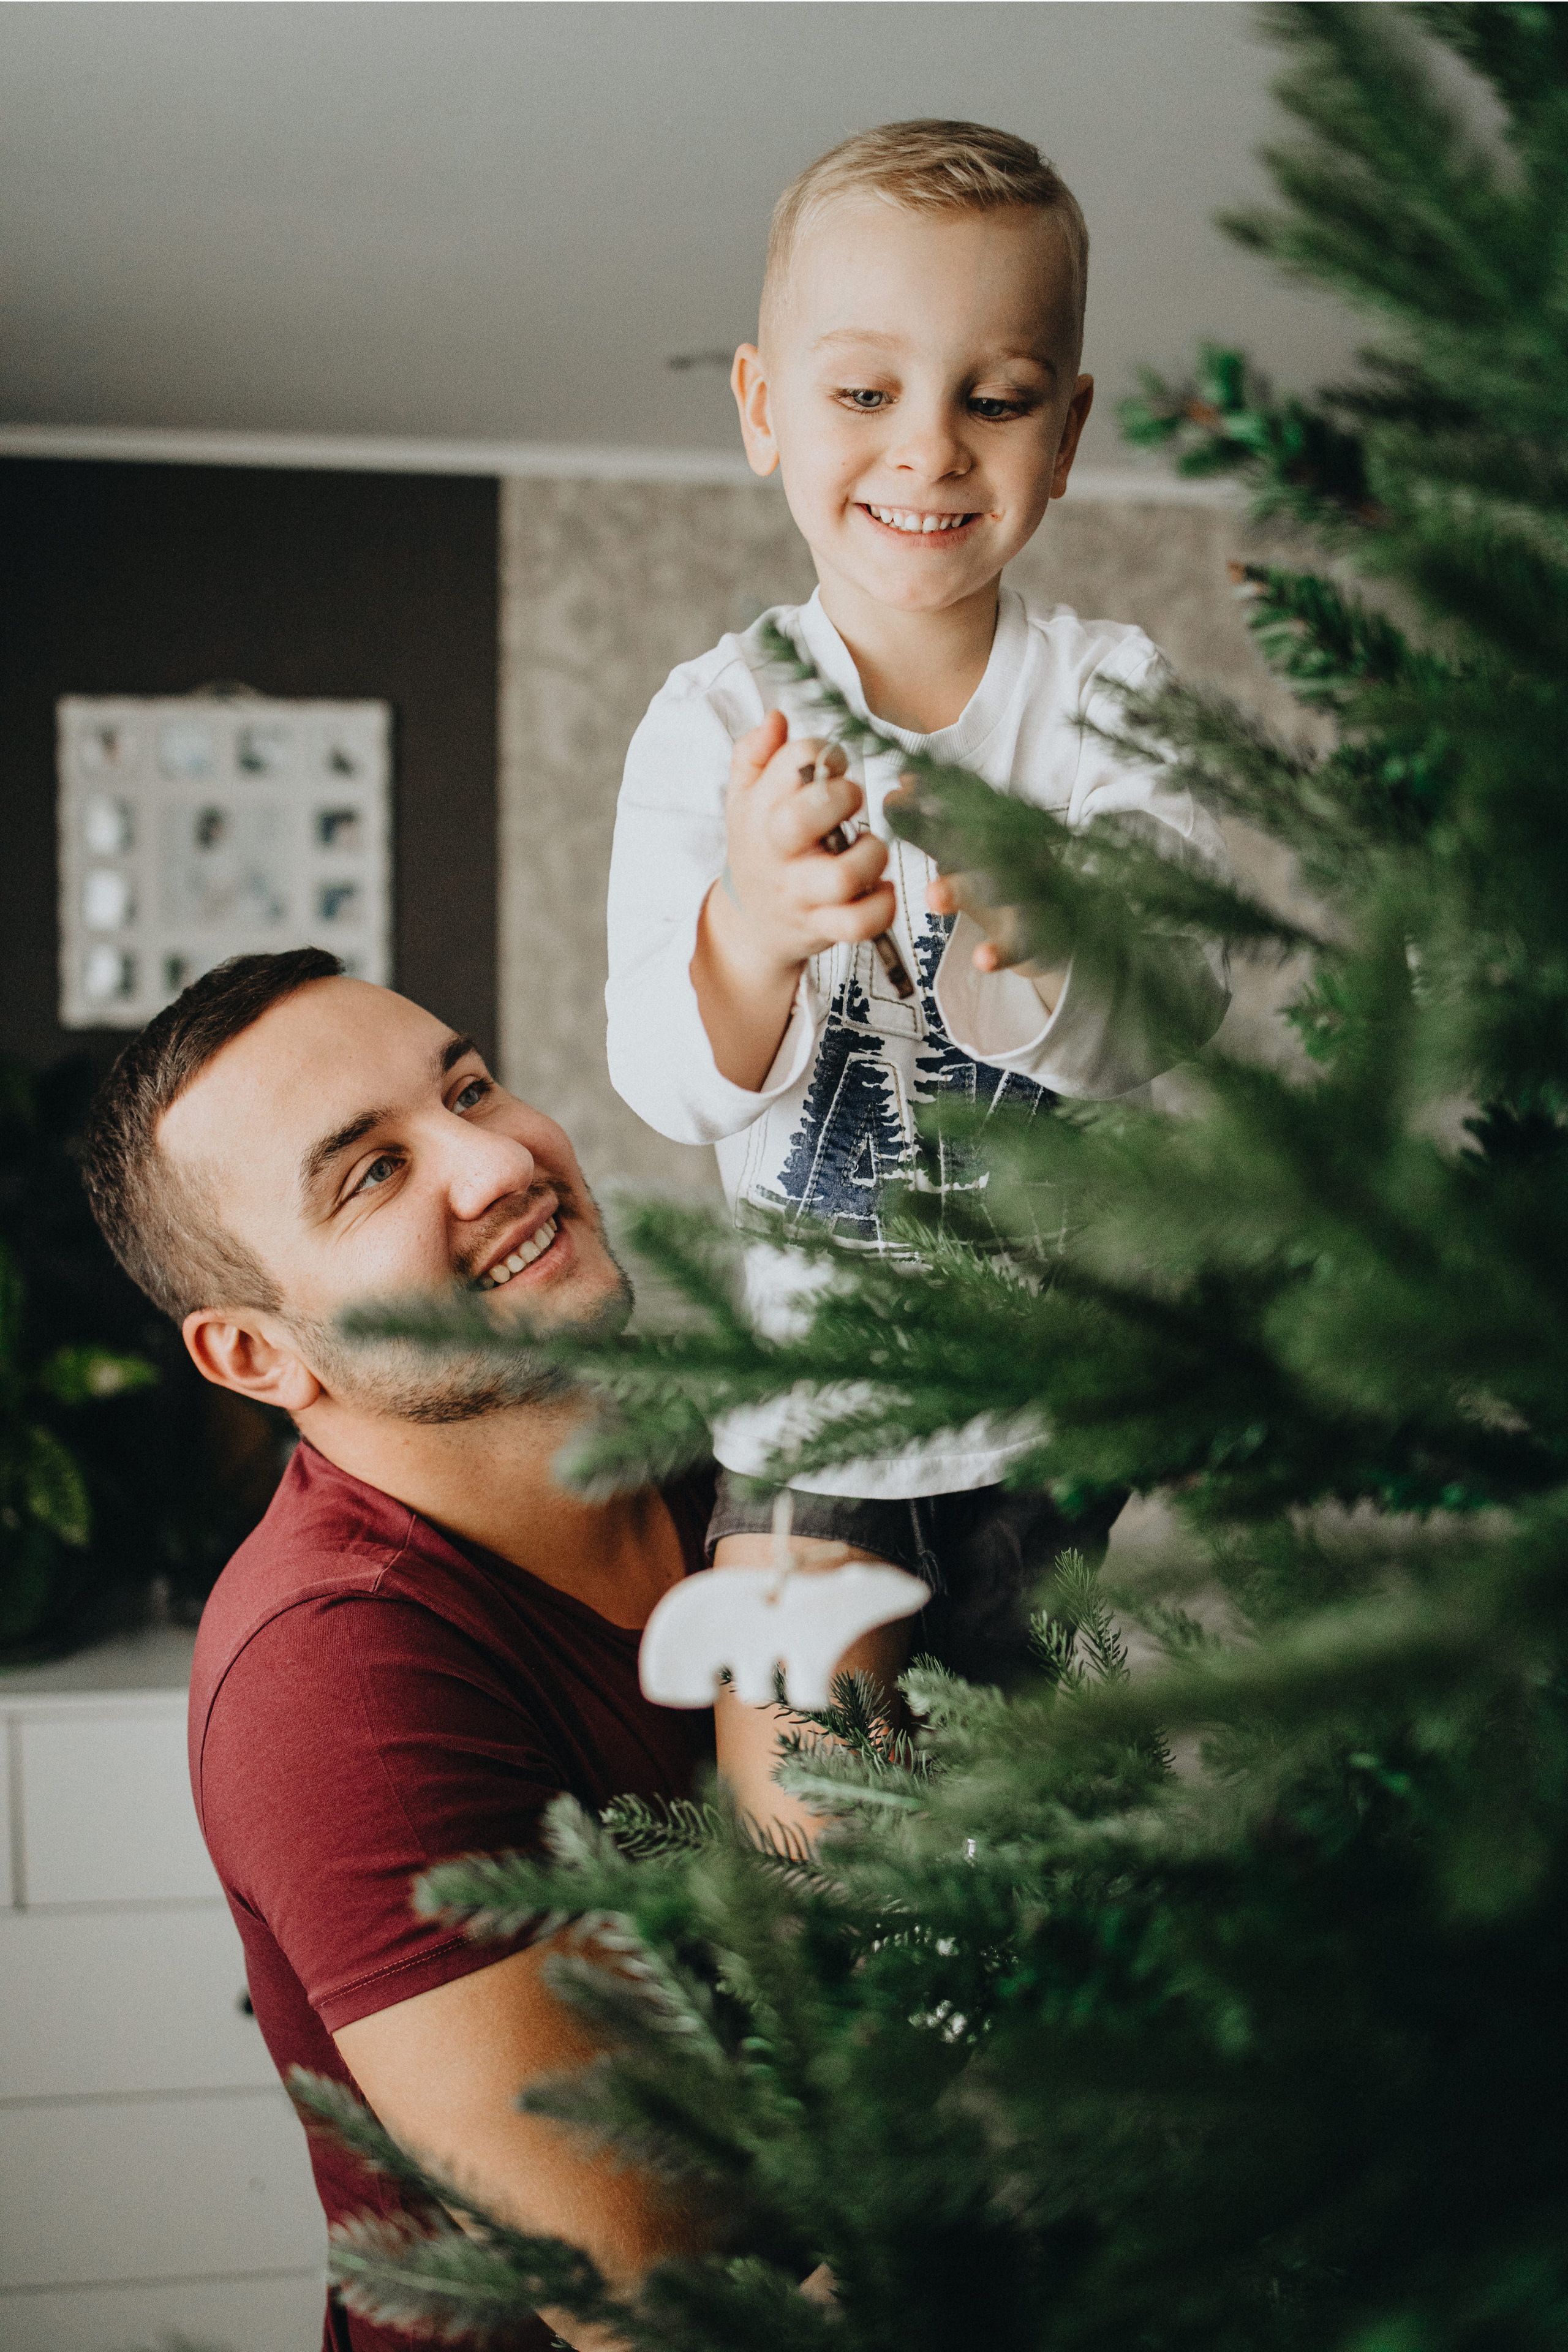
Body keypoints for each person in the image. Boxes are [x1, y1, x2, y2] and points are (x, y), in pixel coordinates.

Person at [605, 119, 1231, 1839]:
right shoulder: (716, 722)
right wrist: (747, 923)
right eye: (864, 392)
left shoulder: (1106, 697)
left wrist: (1056, 932)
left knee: (1029, 1836)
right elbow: (668, 1070)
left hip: (1046, 1418)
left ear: (1070, 430)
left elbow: (1185, 1005)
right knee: (820, 1834)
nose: (929, 450)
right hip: (820, 1421)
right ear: (761, 409)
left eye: (997, 395)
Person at [81, 948, 723, 2352]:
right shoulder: (336, 1681)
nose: (495, 1164)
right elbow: (660, 2299)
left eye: (469, 1087)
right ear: (256, 1354)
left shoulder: (730, 1448)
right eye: (371, 1174)